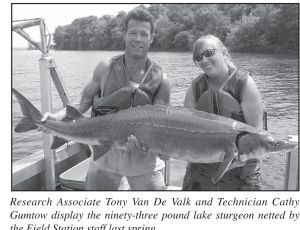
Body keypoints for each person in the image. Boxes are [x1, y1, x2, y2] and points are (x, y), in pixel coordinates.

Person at [42, 8, 171, 190]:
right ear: (124, 36)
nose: (138, 39)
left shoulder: (162, 80)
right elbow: (85, 100)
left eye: (144, 34)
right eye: (132, 33)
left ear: (151, 38)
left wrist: (164, 149)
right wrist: (58, 116)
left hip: (144, 162)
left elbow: (162, 127)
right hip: (104, 158)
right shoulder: (105, 67)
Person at [182, 35, 264, 190]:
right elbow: (183, 128)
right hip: (201, 165)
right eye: (198, 57)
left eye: (209, 53)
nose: (204, 60)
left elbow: (256, 135)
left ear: (224, 53)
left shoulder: (244, 83)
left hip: (243, 165)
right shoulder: (195, 87)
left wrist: (243, 165)